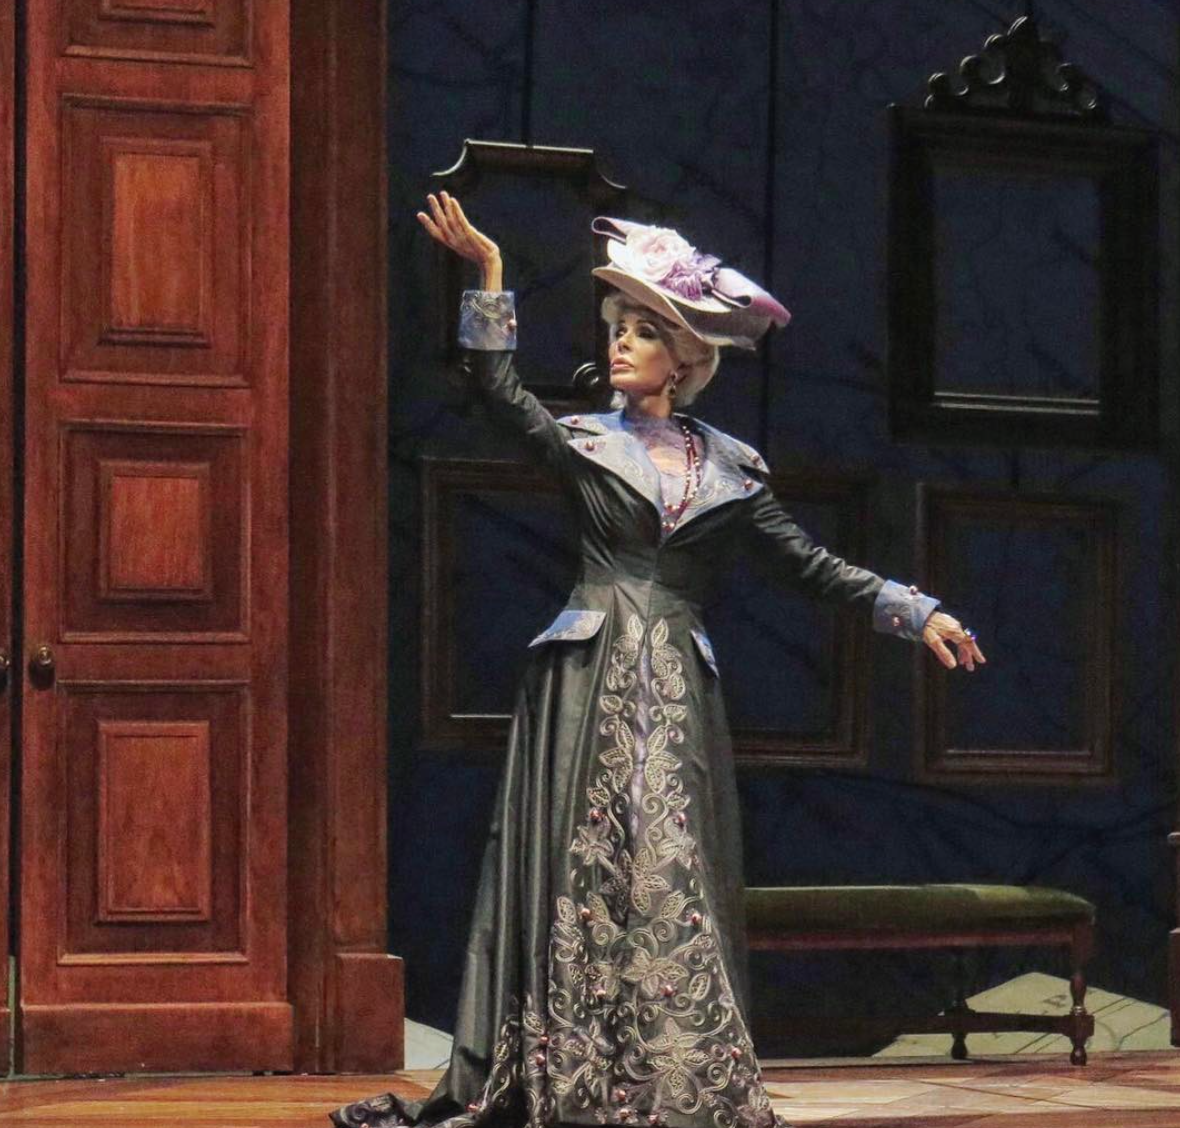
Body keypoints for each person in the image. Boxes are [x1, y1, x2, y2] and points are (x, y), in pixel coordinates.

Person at [329, 192, 986, 1128]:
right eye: (618, 331)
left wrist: (914, 610)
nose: (622, 346)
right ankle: (569, 1070)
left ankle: (663, 1075)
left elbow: (807, 563)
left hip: (675, 676)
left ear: (684, 357)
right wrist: (490, 275)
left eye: (643, 333)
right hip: (585, 672)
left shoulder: (731, 468)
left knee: (668, 865)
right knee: (583, 864)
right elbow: (495, 391)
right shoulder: (585, 441)